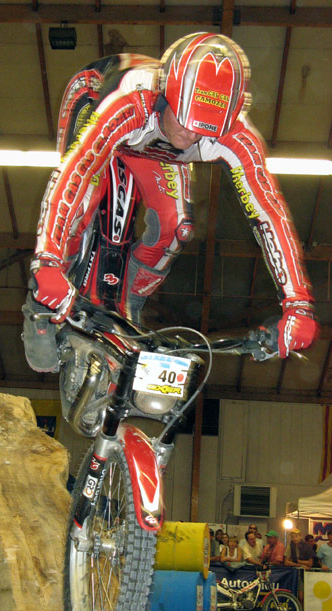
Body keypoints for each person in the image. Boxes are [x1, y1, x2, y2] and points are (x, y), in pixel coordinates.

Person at [22, 32, 318, 372]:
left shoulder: (236, 134)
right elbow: (76, 171)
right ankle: (39, 305)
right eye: (185, 120)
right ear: (167, 95)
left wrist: (298, 304)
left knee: (177, 227)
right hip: (98, 102)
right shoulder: (133, 101)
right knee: (83, 202)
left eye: (204, 131)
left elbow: (269, 213)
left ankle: (128, 305)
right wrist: (47, 260)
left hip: (151, 146)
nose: (191, 136)